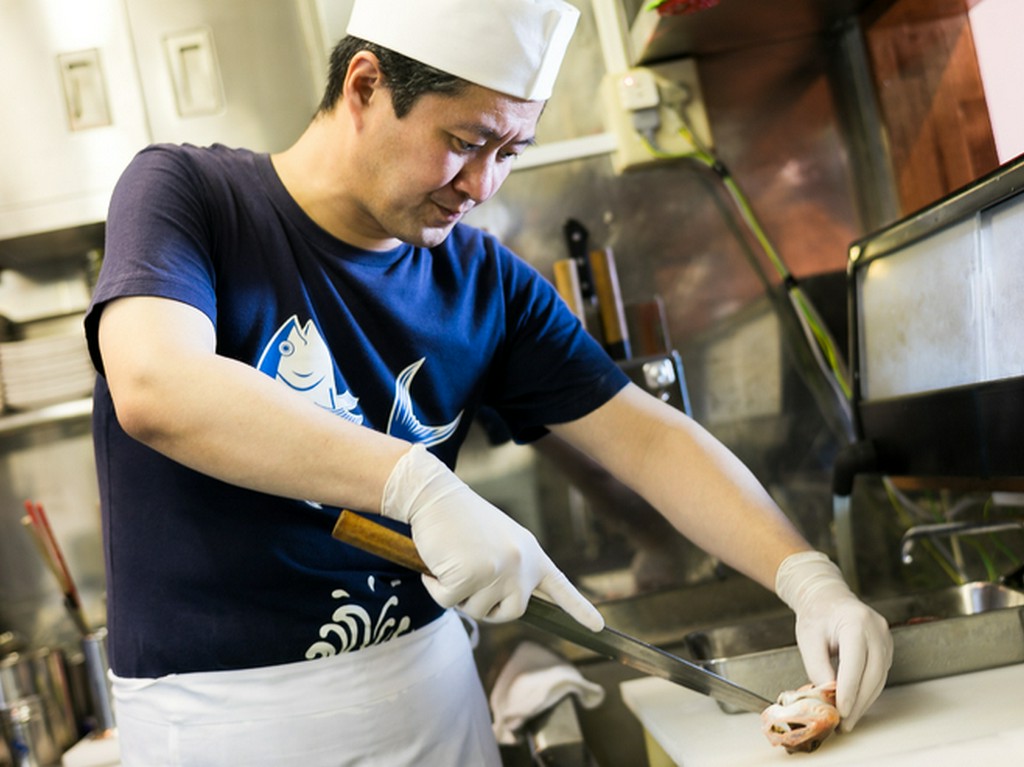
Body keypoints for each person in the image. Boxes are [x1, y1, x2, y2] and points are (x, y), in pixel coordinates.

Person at [85, 0, 892, 764]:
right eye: (467, 140)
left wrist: (807, 578)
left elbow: (647, 438)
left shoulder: (484, 284)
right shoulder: (192, 197)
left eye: (510, 153)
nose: (482, 186)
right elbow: (158, 385)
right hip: (226, 721)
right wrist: (415, 485)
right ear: (365, 86)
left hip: (429, 702)